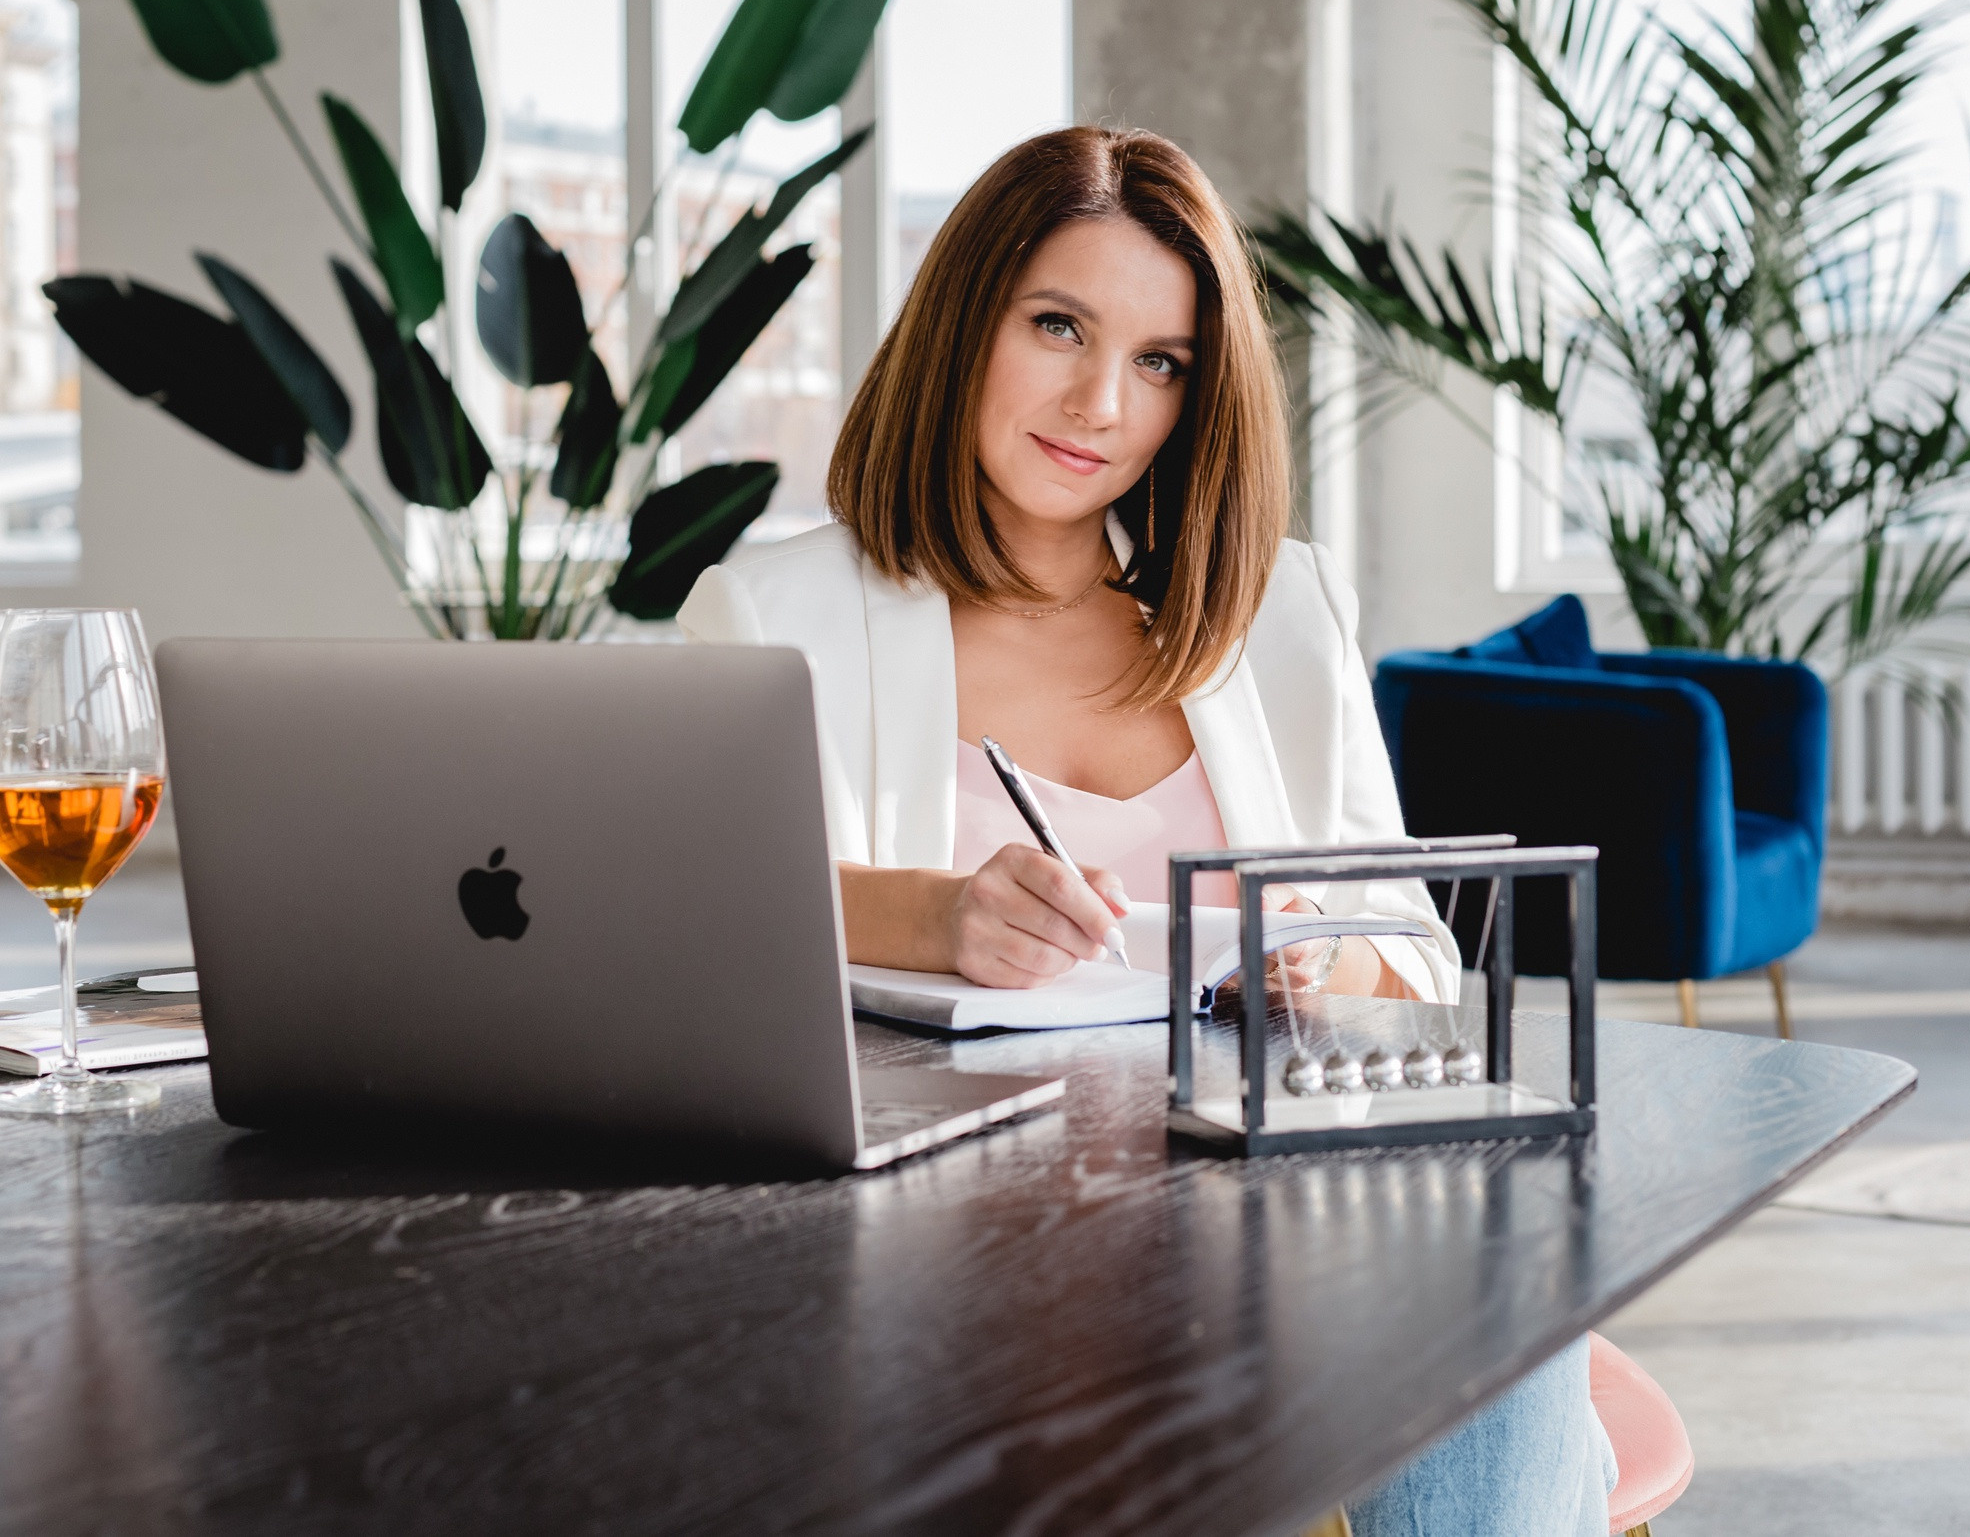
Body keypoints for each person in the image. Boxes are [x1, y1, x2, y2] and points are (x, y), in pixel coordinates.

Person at [679, 125, 1614, 1535]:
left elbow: (1417, 957)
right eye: (1058, 325)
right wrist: (931, 917)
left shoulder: (1276, 616)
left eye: (1160, 362)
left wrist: (1332, 958)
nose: (1100, 401)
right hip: (949, 1237)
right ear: (962, 323)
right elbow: (697, 935)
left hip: (1270, 1228)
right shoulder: (779, 615)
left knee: (1496, 1264)